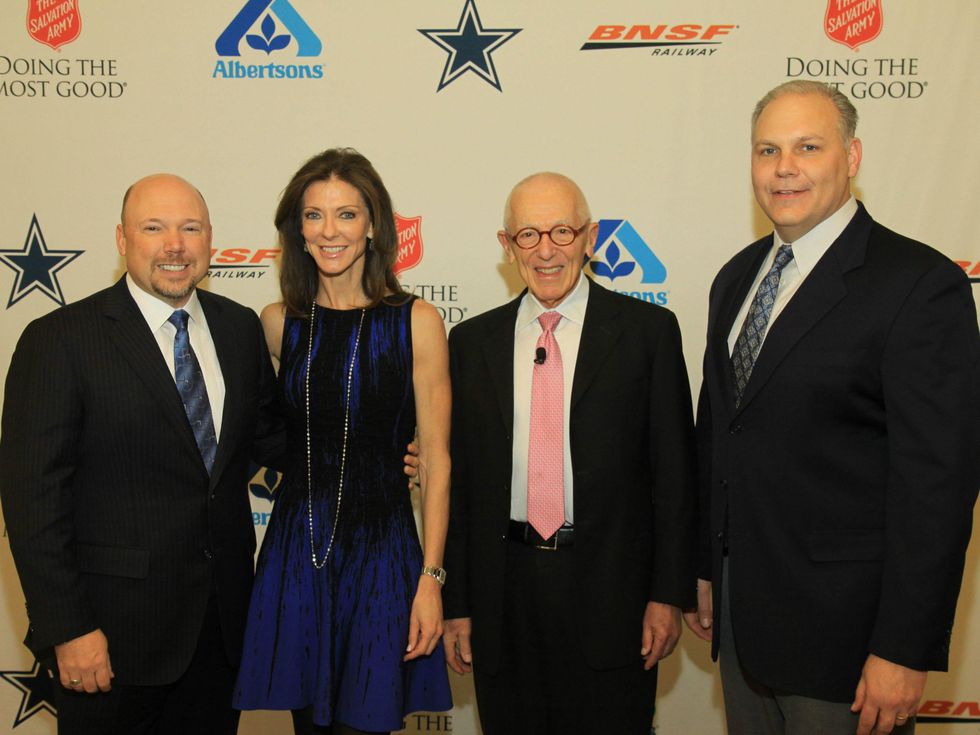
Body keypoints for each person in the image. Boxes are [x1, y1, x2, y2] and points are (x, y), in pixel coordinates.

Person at [687, 80, 980, 735]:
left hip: (845, 647)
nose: (783, 167)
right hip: (741, 628)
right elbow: (720, 436)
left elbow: (937, 486)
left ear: (851, 157)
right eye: (767, 150)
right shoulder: (736, 278)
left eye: (807, 147)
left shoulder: (918, 285)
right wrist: (705, 565)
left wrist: (904, 647)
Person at [0, 174, 284, 734]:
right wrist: (69, 629)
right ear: (122, 239)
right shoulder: (60, 339)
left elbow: (271, 438)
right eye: (153, 228)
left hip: (220, 633)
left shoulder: (237, 327)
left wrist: (385, 446)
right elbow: (32, 501)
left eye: (189, 228)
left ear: (210, 240)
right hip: (108, 641)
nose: (174, 245)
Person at [442, 172, 698, 735]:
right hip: (501, 594)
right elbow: (461, 490)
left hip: (615, 595)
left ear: (590, 237)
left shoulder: (647, 333)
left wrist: (667, 595)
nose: (547, 250)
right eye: (528, 235)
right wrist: (456, 603)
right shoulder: (470, 344)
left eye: (562, 230)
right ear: (506, 247)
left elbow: (676, 475)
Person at [232, 148, 452, 735]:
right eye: (314, 216)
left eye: (347, 214)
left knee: (369, 721)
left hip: (384, 558)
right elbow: (265, 431)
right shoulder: (277, 322)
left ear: (374, 226)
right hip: (298, 553)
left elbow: (435, 460)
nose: (330, 231)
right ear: (296, 230)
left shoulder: (417, 322)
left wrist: (431, 579)